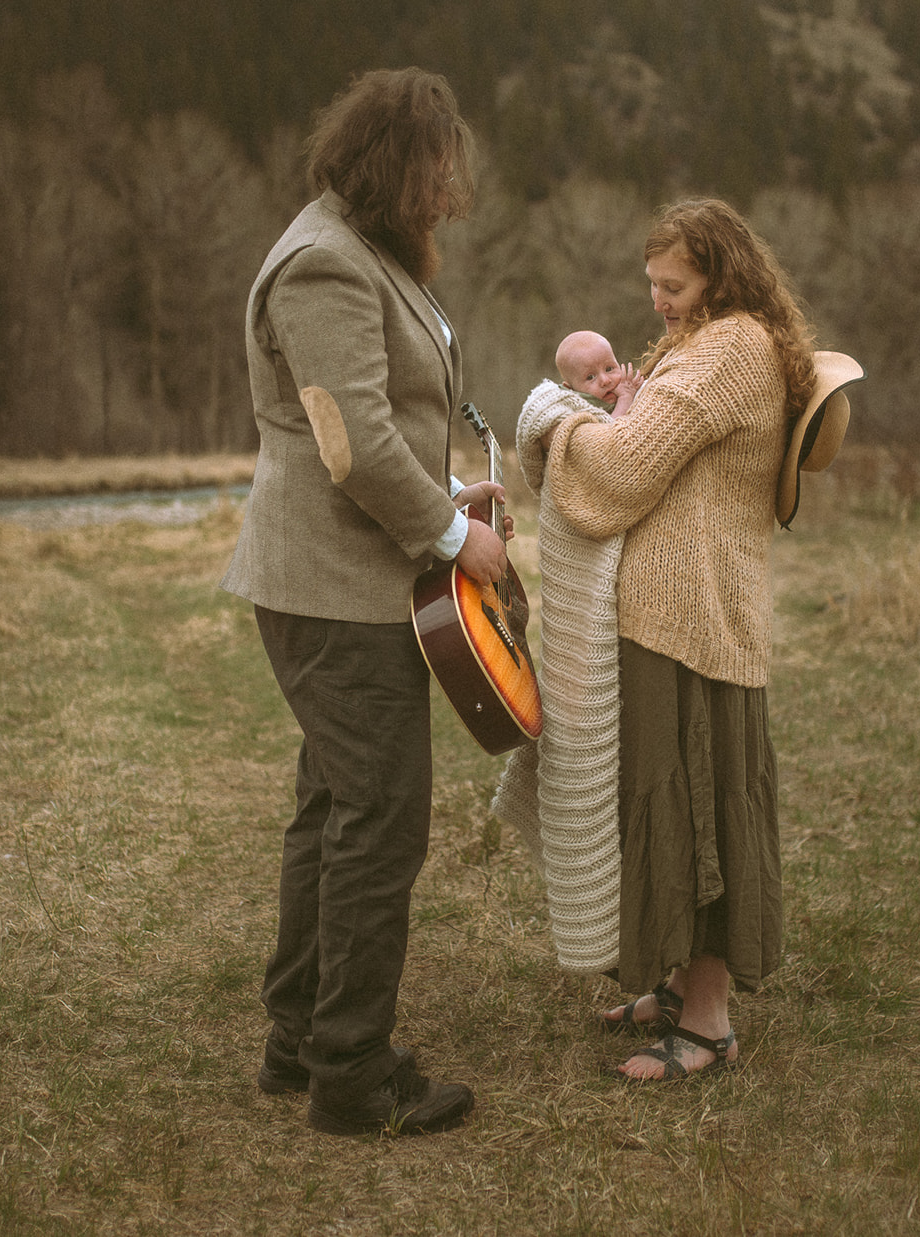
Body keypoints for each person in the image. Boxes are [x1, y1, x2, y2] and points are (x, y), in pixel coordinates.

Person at [219, 67, 508, 1135]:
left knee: (335, 808)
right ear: (391, 165)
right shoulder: (324, 266)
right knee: (380, 821)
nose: (446, 190)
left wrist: (445, 491)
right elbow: (351, 443)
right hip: (335, 593)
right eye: (433, 169)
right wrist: (452, 534)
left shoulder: (361, 251)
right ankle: (349, 1075)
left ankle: (300, 1040)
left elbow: (382, 426)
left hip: (351, 581)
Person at [537, 198, 821, 1080]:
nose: (658, 300)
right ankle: (669, 982)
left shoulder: (732, 350)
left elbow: (624, 466)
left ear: (720, 276)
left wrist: (554, 418)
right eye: (652, 283)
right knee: (659, 801)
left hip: (696, 620)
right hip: (664, 613)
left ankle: (707, 1021)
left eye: (675, 284)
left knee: (696, 810)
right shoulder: (697, 340)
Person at [554, 330, 643, 418]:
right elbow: (609, 430)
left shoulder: (628, 388)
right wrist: (625, 398)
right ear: (570, 389)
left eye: (609, 369)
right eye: (590, 377)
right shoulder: (579, 413)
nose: (605, 380)